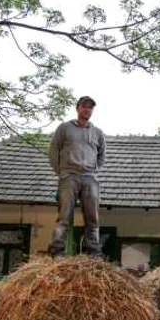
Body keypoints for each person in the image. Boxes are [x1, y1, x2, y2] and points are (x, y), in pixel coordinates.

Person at [48, 96, 106, 258]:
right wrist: (61, 172)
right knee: (64, 216)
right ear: (77, 108)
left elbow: (102, 156)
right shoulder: (65, 128)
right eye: (84, 106)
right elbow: (53, 151)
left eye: (90, 108)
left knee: (92, 218)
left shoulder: (97, 132)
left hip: (89, 177)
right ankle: (58, 251)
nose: (87, 110)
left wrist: (93, 171)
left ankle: (93, 253)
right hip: (69, 176)